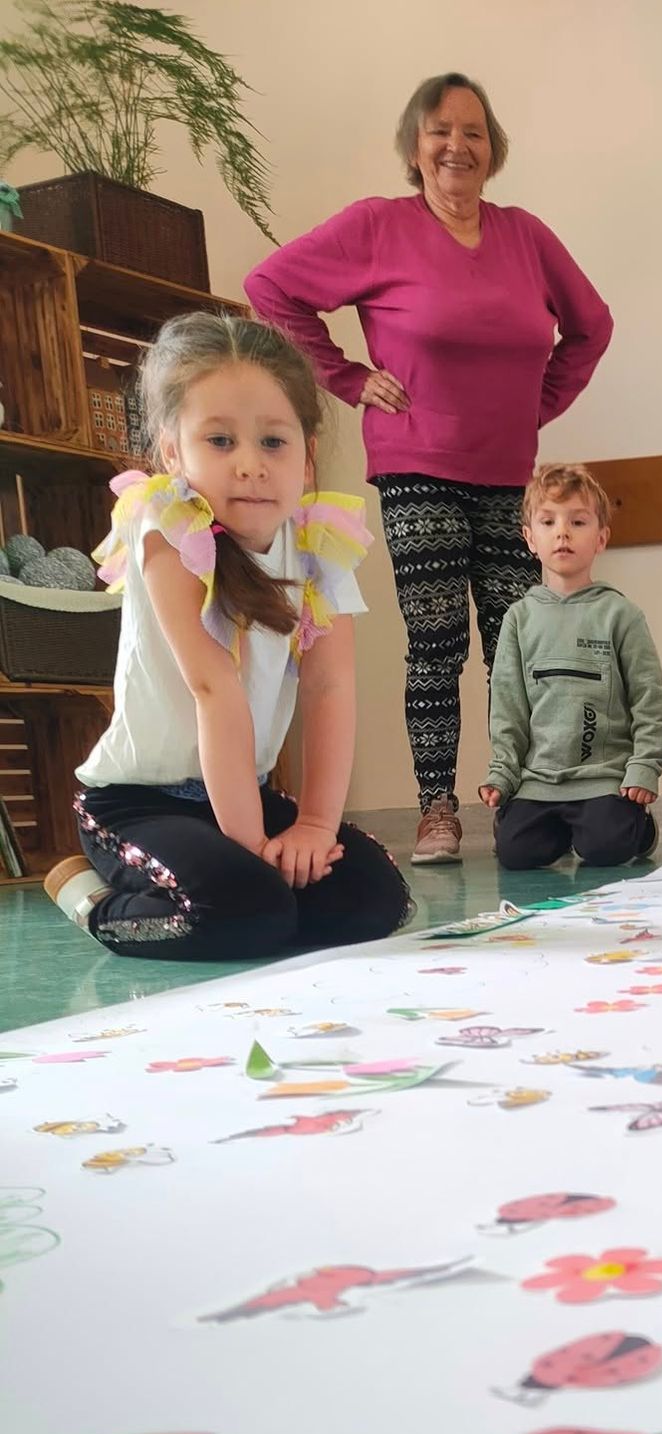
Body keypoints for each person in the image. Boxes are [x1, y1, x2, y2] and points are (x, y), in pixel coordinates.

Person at [245, 72, 613, 866]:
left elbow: (592, 326)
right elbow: (270, 288)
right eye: (441, 130)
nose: (457, 145)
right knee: (438, 642)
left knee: (519, 645)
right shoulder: (380, 226)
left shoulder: (526, 236)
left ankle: (527, 800)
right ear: (415, 147)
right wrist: (346, 378)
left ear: (493, 147)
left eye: (473, 132)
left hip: (510, 474)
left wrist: (536, 406)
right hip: (418, 469)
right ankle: (438, 807)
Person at [43, 313, 410, 959]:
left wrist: (314, 826)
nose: (250, 465)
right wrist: (251, 849)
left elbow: (329, 688)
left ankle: (253, 893)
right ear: (173, 452)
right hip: (137, 804)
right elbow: (214, 690)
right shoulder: (166, 529)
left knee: (372, 900)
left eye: (273, 442)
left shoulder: (317, 545)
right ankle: (93, 901)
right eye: (220, 440)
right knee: (245, 911)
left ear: (307, 455)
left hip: (247, 791)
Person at [479, 464, 662, 869]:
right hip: (538, 780)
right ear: (530, 538)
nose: (562, 532)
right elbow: (508, 707)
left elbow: (649, 699)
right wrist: (503, 774)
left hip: (603, 778)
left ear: (601, 538)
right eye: (548, 522)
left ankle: (639, 826)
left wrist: (643, 768)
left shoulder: (621, 615)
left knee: (608, 848)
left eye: (577, 522)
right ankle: (552, 827)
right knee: (516, 853)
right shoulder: (518, 618)